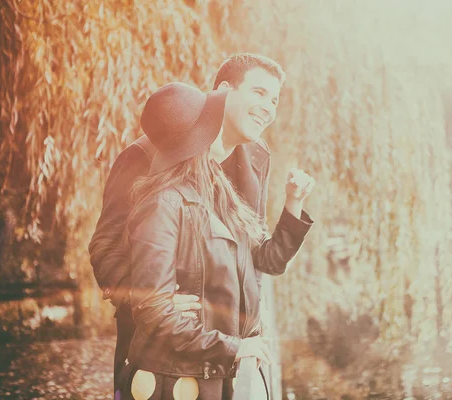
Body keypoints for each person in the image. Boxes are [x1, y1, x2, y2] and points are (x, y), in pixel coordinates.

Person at [88, 54, 314, 396]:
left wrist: (293, 204)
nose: (267, 107)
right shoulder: (147, 157)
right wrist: (145, 296)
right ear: (223, 91)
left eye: (274, 99)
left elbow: (257, 253)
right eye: (258, 92)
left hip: (235, 348)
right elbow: (105, 245)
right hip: (169, 351)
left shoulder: (256, 157)